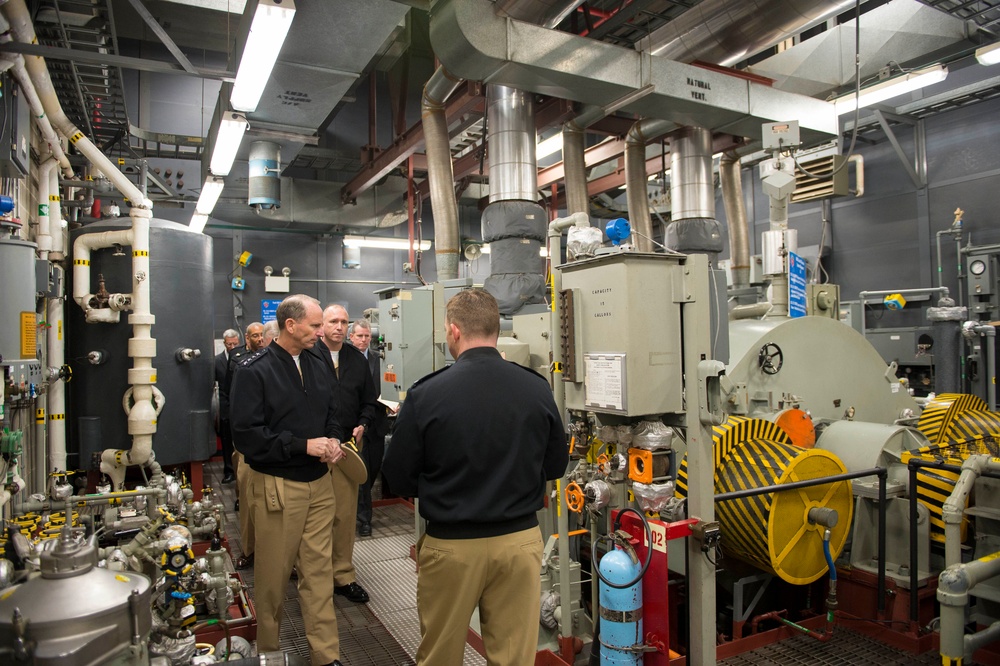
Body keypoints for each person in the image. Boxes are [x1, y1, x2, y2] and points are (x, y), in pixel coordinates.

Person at [383, 289, 568, 666]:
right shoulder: (536, 388)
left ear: (453, 331)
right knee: (515, 657)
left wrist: (442, 486)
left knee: (439, 656)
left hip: (452, 546)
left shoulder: (426, 394)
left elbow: (397, 478)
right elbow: (555, 467)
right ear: (497, 330)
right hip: (519, 544)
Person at [229, 295, 347, 666]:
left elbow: (332, 409)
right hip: (279, 488)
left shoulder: (317, 361)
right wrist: (302, 446)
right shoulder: (254, 370)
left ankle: (325, 657)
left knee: (318, 576)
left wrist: (331, 439)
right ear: (290, 325)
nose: (321, 332)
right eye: (314, 326)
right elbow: (247, 436)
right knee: (273, 580)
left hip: (320, 484)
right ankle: (268, 652)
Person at [307, 304, 378, 605]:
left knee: (346, 513)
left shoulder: (356, 360)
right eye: (332, 321)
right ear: (321, 326)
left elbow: (369, 400)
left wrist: (363, 424)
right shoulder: (309, 357)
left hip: (349, 445)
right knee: (315, 516)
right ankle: (314, 575)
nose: (338, 326)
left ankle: (343, 575)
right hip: (316, 447)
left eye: (343, 322)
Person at [227, 321, 265, 566]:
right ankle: (249, 551)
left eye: (264, 336)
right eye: (257, 336)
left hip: (279, 448)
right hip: (251, 447)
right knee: (250, 501)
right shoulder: (244, 364)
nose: (261, 340)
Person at [348, 318, 388, 537]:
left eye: (367, 336)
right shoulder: (345, 360)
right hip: (356, 426)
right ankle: (364, 520)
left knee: (373, 471)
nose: (364, 340)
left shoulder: (378, 359)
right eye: (360, 336)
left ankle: (358, 507)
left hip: (377, 424)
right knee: (361, 475)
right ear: (351, 337)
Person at [214, 329, 241, 484]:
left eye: (235, 344)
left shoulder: (242, 358)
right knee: (226, 441)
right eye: (229, 344)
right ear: (224, 343)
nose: (232, 346)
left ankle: (238, 471)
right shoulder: (218, 361)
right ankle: (229, 471)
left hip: (239, 406)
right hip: (225, 407)